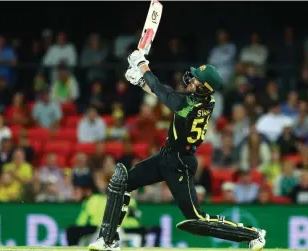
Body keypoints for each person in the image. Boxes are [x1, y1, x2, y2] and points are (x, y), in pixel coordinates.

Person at [88, 50, 266, 251]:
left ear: (204, 87)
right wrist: (140, 82)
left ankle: (254, 234)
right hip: (166, 156)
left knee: (197, 220)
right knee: (122, 182)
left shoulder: (188, 105)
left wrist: (142, 66)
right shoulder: (205, 100)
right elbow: (166, 94)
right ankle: (108, 241)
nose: (191, 80)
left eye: (196, 80)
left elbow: (165, 94)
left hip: (179, 164)